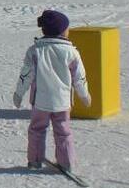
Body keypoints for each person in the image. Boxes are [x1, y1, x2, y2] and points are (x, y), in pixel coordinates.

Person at [13, 10, 91, 170]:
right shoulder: (72, 52)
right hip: (62, 102)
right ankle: (66, 162)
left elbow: (25, 75)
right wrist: (84, 95)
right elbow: (79, 78)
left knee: (36, 130)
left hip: (40, 102)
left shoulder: (34, 51)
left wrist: (19, 93)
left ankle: (34, 160)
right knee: (63, 132)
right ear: (62, 31)